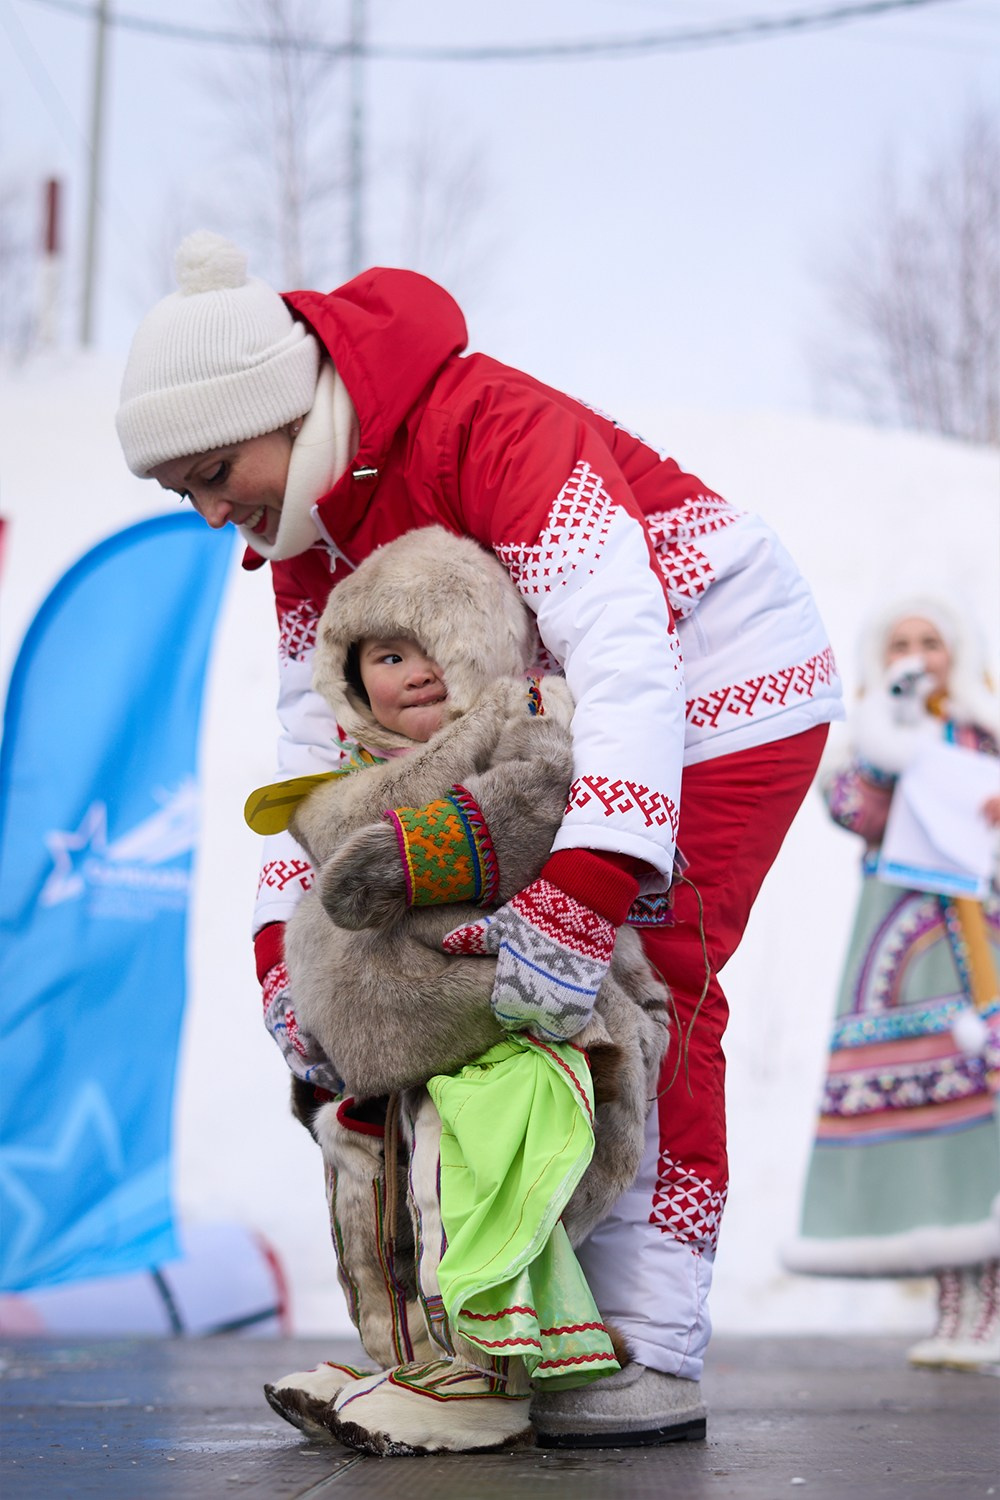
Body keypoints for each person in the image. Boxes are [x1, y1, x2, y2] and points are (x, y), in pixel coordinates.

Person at [115, 229, 842, 1446]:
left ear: (282, 409)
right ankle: (505, 1333)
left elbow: (626, 657)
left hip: (718, 672)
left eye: (213, 468)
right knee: (470, 999)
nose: (205, 512)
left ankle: (647, 1346)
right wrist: (282, 961)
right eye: (176, 489)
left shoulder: (487, 425)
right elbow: (319, 765)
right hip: (548, 722)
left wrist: (587, 889)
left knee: (646, 979)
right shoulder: (304, 536)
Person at [249, 525, 669, 1454]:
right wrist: (296, 989)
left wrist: (408, 860)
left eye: (438, 641)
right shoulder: (343, 779)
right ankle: (408, 1359)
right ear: (352, 684)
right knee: (369, 1171)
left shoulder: (522, 718)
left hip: (512, 1015)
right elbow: (298, 890)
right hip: (394, 1036)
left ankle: (487, 1373)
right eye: (388, 656)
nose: (419, 671)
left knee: (464, 1171)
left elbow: (536, 805)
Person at [783, 597, 1000, 1371]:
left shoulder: (987, 735)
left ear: (958, 651)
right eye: (902, 643)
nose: (917, 655)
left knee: (986, 1123)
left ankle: (987, 1309)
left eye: (931, 641)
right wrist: (886, 741)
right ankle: (959, 1304)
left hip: (982, 942)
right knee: (937, 1126)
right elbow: (852, 811)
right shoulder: (875, 744)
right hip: (902, 960)